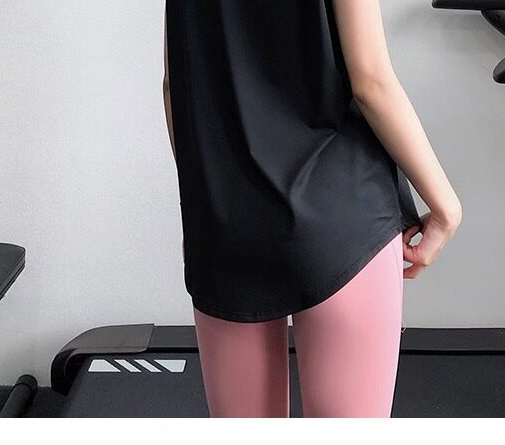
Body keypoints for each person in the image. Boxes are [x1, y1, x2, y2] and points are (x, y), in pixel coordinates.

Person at [162, 0, 462, 418]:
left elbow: (174, 87)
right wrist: (445, 204)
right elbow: (371, 82)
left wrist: (204, 211)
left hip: (228, 224)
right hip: (342, 218)